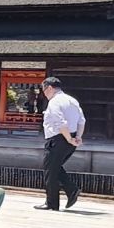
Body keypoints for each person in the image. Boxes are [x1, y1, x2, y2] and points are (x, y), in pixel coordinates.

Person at [36, 76, 84, 211]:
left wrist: (68, 138)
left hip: (59, 139)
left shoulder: (55, 102)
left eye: (44, 90)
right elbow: (82, 121)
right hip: (70, 138)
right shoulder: (72, 100)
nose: (44, 93)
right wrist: (77, 137)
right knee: (54, 168)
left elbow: (60, 122)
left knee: (50, 171)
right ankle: (71, 190)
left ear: (50, 88)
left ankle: (52, 203)